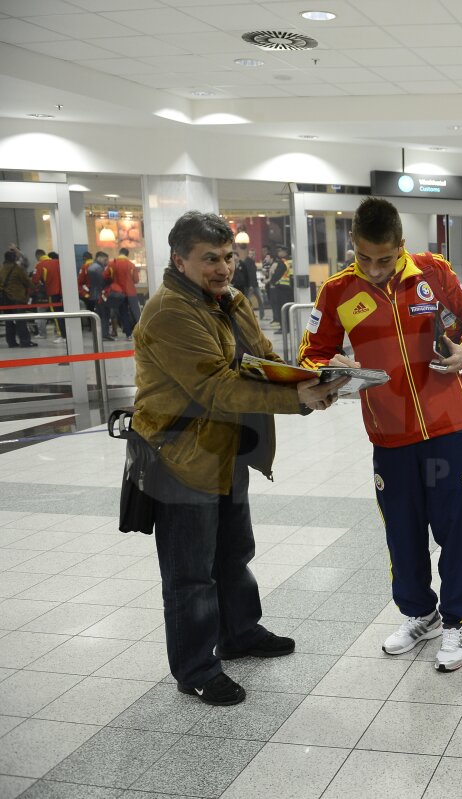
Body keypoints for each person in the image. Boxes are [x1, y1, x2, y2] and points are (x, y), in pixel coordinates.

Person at [132, 211, 345, 707]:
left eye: (228, 257)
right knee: (190, 573)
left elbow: (262, 361)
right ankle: (195, 667)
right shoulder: (169, 312)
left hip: (225, 448)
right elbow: (214, 387)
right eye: (210, 259)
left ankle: (239, 632)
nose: (223, 268)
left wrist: (315, 375)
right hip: (179, 455)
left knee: (233, 552)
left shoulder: (230, 300)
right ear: (178, 259)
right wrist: (299, 400)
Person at [298, 197, 462, 672]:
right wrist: (330, 366)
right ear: (353, 247)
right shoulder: (338, 291)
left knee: (454, 531)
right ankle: (419, 613)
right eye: (364, 258)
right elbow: (311, 353)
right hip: (388, 434)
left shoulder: (432, 271)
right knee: (402, 534)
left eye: (384, 259)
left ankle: (455, 623)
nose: (375, 268)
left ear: (401, 246)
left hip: (449, 429)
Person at [0, 250, 34, 348]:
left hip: (5, 300)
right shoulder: (18, 269)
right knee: (20, 320)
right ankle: (25, 341)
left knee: (9, 321)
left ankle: (11, 342)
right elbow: (28, 282)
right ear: (14, 258)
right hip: (17, 298)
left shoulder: (2, 270)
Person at [105, 247, 140, 338]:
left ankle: (128, 334)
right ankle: (141, 333)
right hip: (131, 292)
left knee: (123, 312)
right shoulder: (131, 265)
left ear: (119, 253)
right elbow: (136, 280)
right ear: (127, 254)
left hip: (118, 293)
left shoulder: (112, 264)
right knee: (136, 313)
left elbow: (105, 276)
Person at [233, 245, 263, 319]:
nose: (252, 255)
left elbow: (250, 275)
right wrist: (249, 285)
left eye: (253, 254)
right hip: (249, 285)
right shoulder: (246, 262)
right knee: (247, 301)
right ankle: (249, 315)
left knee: (260, 301)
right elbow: (248, 275)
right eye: (250, 254)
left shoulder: (250, 263)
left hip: (254, 285)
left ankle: (260, 316)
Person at [265, 247, 292, 327]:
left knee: (282, 308)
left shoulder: (283, 262)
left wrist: (272, 281)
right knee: (288, 309)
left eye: (279, 251)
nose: (278, 253)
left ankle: (283, 327)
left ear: (284, 252)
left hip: (281, 287)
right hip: (290, 287)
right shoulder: (291, 260)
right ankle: (287, 327)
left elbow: (277, 274)